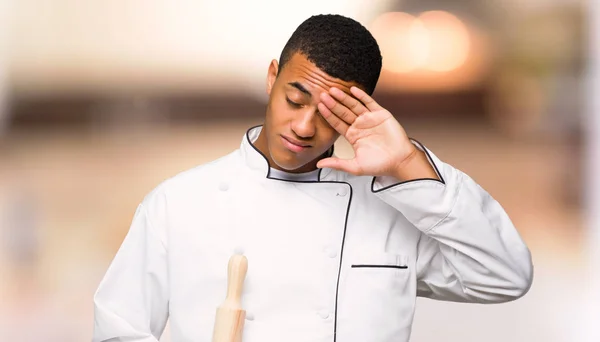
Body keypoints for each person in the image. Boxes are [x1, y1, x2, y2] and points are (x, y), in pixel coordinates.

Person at [92, 14, 533, 342]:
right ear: (271, 78)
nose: (304, 127)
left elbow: (504, 275)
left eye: (328, 112)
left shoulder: (391, 211)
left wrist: (407, 162)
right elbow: (118, 330)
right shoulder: (178, 204)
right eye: (295, 99)